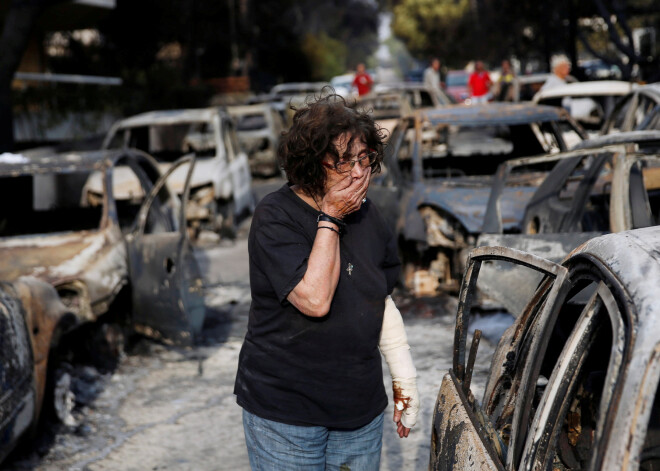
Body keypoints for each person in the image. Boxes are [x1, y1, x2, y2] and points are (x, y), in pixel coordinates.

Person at [234, 93, 419, 470]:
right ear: (311, 163)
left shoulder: (369, 217)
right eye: (343, 160)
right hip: (285, 414)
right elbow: (314, 300)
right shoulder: (276, 216)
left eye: (364, 157)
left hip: (358, 414)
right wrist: (331, 217)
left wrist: (405, 380)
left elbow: (379, 302)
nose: (357, 172)